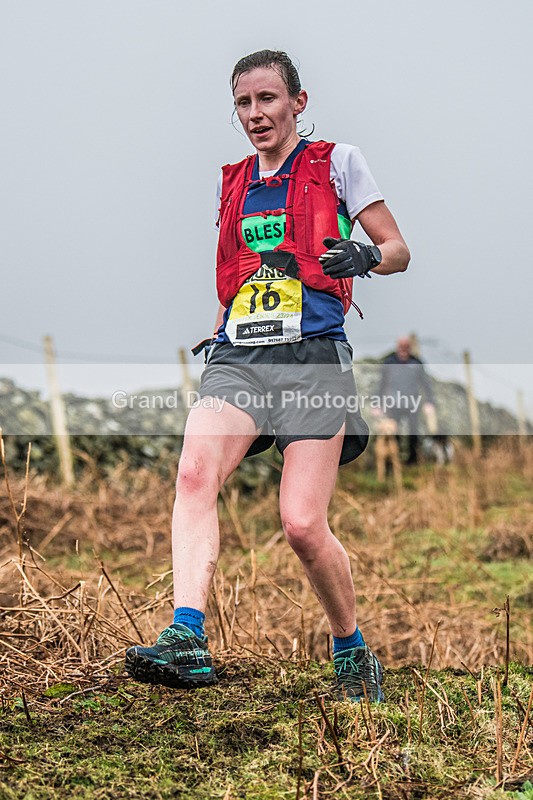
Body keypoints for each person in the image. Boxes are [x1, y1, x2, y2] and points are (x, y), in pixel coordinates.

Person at [125, 50, 410, 702]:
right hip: (239, 358)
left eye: (268, 100)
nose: (256, 114)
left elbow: (398, 249)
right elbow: (239, 273)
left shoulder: (338, 162)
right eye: (244, 104)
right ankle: (186, 637)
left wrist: (365, 255)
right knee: (195, 474)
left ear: (297, 103)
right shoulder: (234, 182)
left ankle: (350, 649)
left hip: (312, 356)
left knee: (302, 526)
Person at [376, 337, 435, 464]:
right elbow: (382, 384)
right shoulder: (389, 363)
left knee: (413, 433)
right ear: (397, 347)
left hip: (412, 404)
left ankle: (412, 461)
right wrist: (377, 405)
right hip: (393, 404)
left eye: (406, 347)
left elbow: (426, 384)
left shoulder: (417, 363)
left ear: (410, 348)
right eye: (401, 347)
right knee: (392, 433)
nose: (403, 350)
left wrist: (430, 402)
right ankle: (393, 461)